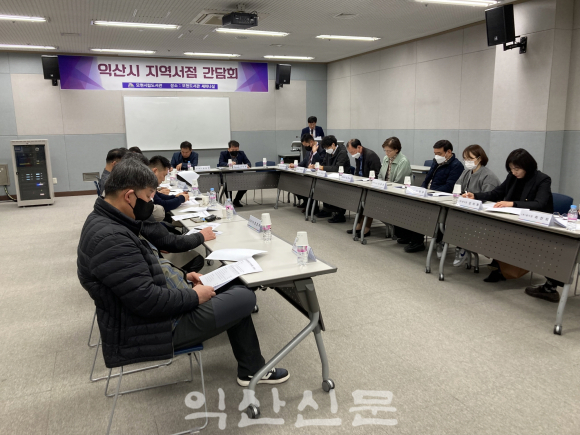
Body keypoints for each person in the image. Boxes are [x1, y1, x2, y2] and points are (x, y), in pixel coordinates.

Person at [77, 158, 289, 387]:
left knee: (234, 281)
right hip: (152, 327)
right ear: (128, 196)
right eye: (148, 197)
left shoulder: (109, 221)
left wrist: (183, 276)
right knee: (244, 297)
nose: (150, 204)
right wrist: (194, 296)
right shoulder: (111, 238)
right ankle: (251, 369)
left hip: (155, 308)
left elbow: (144, 271)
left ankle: (251, 368)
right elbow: (147, 301)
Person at [463, 148, 561, 302]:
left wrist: (512, 203)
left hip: (537, 225)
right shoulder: (512, 177)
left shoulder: (542, 179)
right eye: (511, 169)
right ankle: (500, 267)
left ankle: (550, 287)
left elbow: (540, 203)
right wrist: (475, 196)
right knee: (492, 231)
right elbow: (497, 193)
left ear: (527, 166)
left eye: (517, 169)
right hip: (514, 221)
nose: (514, 172)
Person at [400, 140, 464, 254]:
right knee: (410, 205)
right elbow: (427, 179)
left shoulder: (456, 166)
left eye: (439, 153)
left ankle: (417, 242)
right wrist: (422, 190)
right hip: (429, 195)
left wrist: (431, 193)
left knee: (420, 211)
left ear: (449, 152)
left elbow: (449, 186)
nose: (436, 156)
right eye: (435, 153)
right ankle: (409, 236)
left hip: (442, 198)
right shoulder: (436, 161)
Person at [453, 145, 500, 267]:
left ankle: (461, 246)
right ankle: (448, 243)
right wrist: (462, 195)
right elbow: (457, 188)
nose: (467, 162)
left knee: (460, 222)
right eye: (465, 159)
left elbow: (489, 197)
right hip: (467, 209)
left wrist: (472, 197)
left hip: (482, 213)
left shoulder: (488, 176)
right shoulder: (466, 172)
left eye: (470, 159)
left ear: (480, 158)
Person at [377, 137, 412, 240]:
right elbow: (380, 175)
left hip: (398, 192)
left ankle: (399, 232)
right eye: (385, 150)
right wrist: (380, 185)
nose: (386, 153)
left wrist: (385, 189)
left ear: (396, 150)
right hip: (386, 190)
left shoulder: (403, 161)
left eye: (389, 151)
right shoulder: (386, 158)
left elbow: (399, 182)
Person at [345, 139, 381, 237]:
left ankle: (366, 228)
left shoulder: (371, 156)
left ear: (359, 147)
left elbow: (376, 174)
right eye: (350, 152)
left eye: (352, 152)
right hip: (362, 184)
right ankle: (359, 226)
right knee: (358, 202)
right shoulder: (358, 155)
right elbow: (358, 170)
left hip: (371, 187)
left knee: (368, 203)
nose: (352, 154)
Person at [315, 135, 351, 223]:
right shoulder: (329, 152)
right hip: (331, 177)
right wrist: (318, 167)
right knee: (322, 186)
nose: (326, 150)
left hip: (342, 179)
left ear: (333, 145)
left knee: (337, 191)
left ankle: (340, 214)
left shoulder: (342, 152)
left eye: (327, 148)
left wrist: (322, 168)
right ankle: (327, 210)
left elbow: (337, 168)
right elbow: (324, 163)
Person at [289, 134, 324, 211]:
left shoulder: (321, 148)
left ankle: (312, 206)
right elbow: (305, 161)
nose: (305, 147)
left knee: (306, 185)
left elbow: (322, 162)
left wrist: (315, 153)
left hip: (316, 176)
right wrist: (295, 165)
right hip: (307, 174)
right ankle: (306, 202)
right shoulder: (308, 150)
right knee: (294, 183)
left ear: (311, 142)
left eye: (306, 145)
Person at [218, 140, 252, 207]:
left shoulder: (241, 153)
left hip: (238, 175)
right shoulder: (223, 153)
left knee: (245, 185)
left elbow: (248, 162)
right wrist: (229, 164)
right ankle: (229, 201)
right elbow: (220, 163)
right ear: (229, 149)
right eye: (233, 150)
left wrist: (248, 165)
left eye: (236, 150)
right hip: (227, 176)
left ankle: (236, 200)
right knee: (227, 186)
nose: (235, 151)